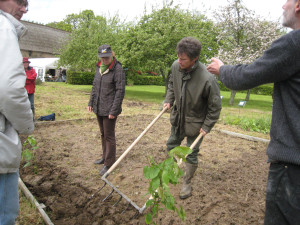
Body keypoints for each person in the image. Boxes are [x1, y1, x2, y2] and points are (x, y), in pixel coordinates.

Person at [207, 0, 300, 224]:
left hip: (293, 166)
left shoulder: (294, 43)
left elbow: (249, 75)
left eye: (287, 0)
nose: (282, 6)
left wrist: (223, 69)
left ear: (298, 5)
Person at [164, 37, 222, 199]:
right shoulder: (176, 67)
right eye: (178, 57)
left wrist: (208, 125)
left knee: (191, 152)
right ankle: (171, 172)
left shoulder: (207, 78)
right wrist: (169, 100)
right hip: (178, 118)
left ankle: (186, 183)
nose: (179, 61)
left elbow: (215, 106)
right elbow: (171, 83)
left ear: (194, 58)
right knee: (171, 145)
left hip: (196, 123)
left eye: (183, 59)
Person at [0, 0, 34, 225]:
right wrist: (26, 125)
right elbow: (9, 88)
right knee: (4, 215)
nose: (25, 9)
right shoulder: (3, 28)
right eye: (20, 2)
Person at [88, 44, 126, 176]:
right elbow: (94, 86)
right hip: (99, 106)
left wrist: (114, 110)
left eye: (107, 57)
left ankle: (109, 164)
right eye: (102, 57)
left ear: (112, 55)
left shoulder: (118, 69)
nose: (105, 60)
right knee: (103, 134)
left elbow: (120, 91)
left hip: (110, 109)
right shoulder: (99, 67)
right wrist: (91, 102)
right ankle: (105, 157)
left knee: (109, 136)